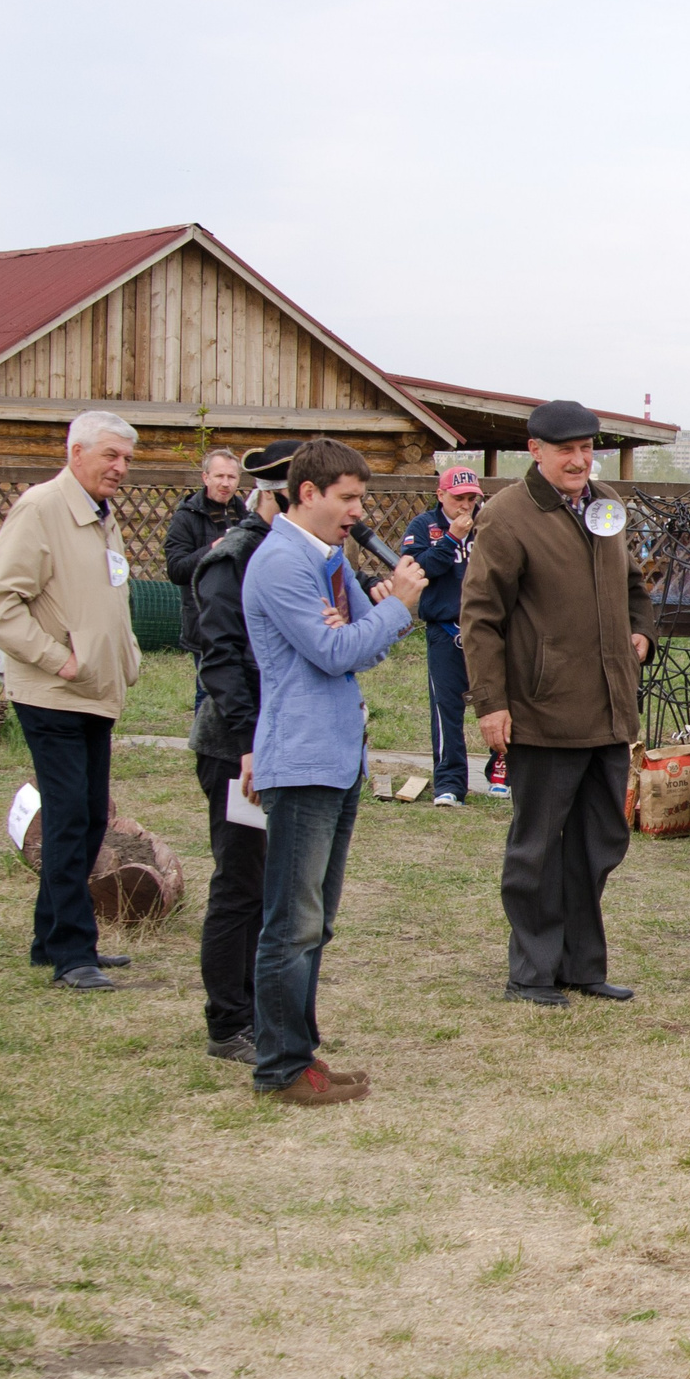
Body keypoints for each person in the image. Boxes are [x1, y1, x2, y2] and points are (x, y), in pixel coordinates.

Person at [242, 439, 426, 1105]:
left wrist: (379, 616)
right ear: (308, 492)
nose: (358, 510)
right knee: (291, 922)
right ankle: (281, 1067)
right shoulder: (281, 564)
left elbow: (362, 649)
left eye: (361, 497)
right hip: (301, 758)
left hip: (339, 756)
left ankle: (303, 1055)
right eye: (347, 497)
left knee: (315, 921)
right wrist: (389, 610)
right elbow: (333, 650)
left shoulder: (328, 561)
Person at [462, 400, 657, 1006]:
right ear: (536, 451)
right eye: (565, 449)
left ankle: (581, 964)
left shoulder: (606, 507)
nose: (578, 459)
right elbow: (481, 617)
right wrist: (491, 703)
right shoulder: (506, 517)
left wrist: (642, 632)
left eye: (586, 447)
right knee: (538, 849)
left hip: (608, 710)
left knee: (600, 841)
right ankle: (532, 971)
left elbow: (634, 587)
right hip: (542, 714)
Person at [0, 409, 146, 992]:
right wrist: (59, 658)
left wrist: (124, 658)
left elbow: (106, 596)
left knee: (91, 815)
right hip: (51, 692)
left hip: (93, 693)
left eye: (126, 459)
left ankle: (50, 938)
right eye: (110, 456)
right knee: (71, 816)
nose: (121, 468)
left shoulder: (102, 516)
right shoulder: (42, 508)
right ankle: (74, 953)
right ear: (76, 453)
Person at [186, 441, 300, 1062]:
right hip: (238, 746)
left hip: (284, 742)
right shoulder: (234, 558)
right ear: (286, 493)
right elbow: (221, 661)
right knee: (241, 879)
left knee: (274, 881)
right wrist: (251, 741)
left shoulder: (302, 554)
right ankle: (227, 1021)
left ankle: (261, 1009)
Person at [401, 464, 484, 807]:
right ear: (441, 495)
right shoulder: (424, 527)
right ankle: (449, 784)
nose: (466, 506)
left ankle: (501, 773)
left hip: (485, 629)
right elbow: (420, 570)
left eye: (471, 499)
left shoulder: (487, 525)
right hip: (444, 628)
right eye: (459, 498)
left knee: (501, 702)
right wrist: (451, 538)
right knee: (446, 708)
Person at [164, 448, 246, 681]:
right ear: (205, 477)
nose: (225, 483)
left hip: (241, 621)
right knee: (209, 692)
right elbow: (176, 570)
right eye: (219, 476)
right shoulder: (186, 516)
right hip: (204, 622)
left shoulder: (246, 515)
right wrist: (213, 549)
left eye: (231, 477)